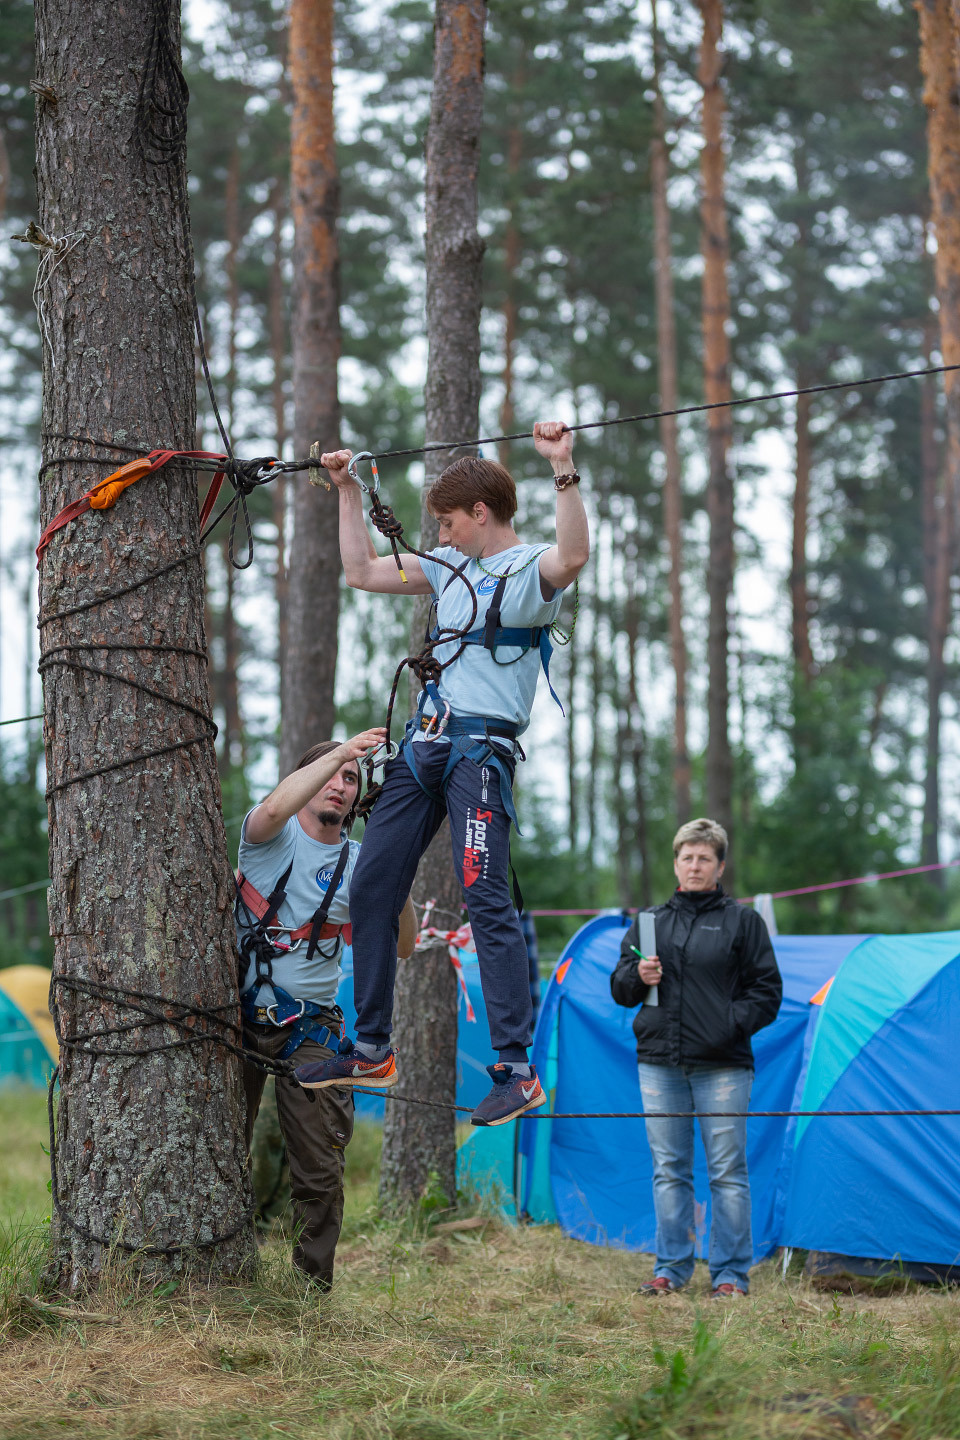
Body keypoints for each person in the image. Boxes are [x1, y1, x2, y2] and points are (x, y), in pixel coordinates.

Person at [296, 421, 590, 1127]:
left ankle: (515, 1070)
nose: (442, 534)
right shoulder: (448, 567)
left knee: (484, 897)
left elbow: (575, 554)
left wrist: (562, 465)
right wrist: (346, 490)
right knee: (370, 886)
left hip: (479, 752)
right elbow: (363, 572)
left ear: (480, 513)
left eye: (449, 522)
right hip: (422, 748)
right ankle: (372, 1047)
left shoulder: (530, 570)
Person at [237, 730, 417, 1287]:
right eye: (330, 774)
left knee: (319, 1168)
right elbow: (273, 809)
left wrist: (394, 866)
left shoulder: (363, 862)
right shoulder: (267, 837)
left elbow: (404, 945)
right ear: (304, 780)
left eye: (351, 779)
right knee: (217, 1150)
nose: (340, 784)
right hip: (234, 1020)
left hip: (310, 1028)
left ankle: (309, 1291)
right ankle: (224, 1271)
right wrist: (342, 752)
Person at [610, 818, 782, 1298]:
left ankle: (730, 1276)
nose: (695, 865)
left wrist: (727, 1026)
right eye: (687, 857)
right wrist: (638, 975)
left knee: (727, 1173)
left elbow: (767, 993)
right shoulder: (649, 923)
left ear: (720, 866)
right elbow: (620, 989)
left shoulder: (743, 922)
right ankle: (671, 1269)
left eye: (705, 858)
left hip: (724, 1066)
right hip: (659, 1065)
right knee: (669, 1170)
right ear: (675, 864)